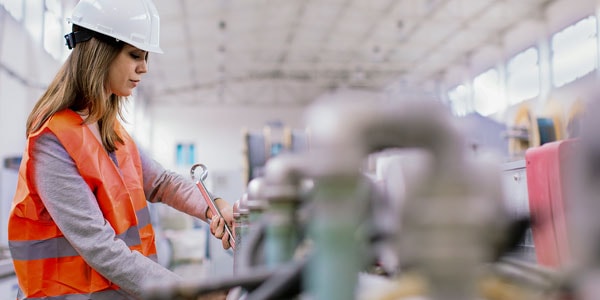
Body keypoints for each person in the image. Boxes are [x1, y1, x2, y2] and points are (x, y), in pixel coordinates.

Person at [7, 0, 233, 299]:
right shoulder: (53, 141)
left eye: (146, 56)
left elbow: (163, 183)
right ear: (100, 52)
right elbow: (99, 246)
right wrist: (186, 291)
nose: (145, 67)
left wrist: (216, 207)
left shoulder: (112, 132)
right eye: (134, 55)